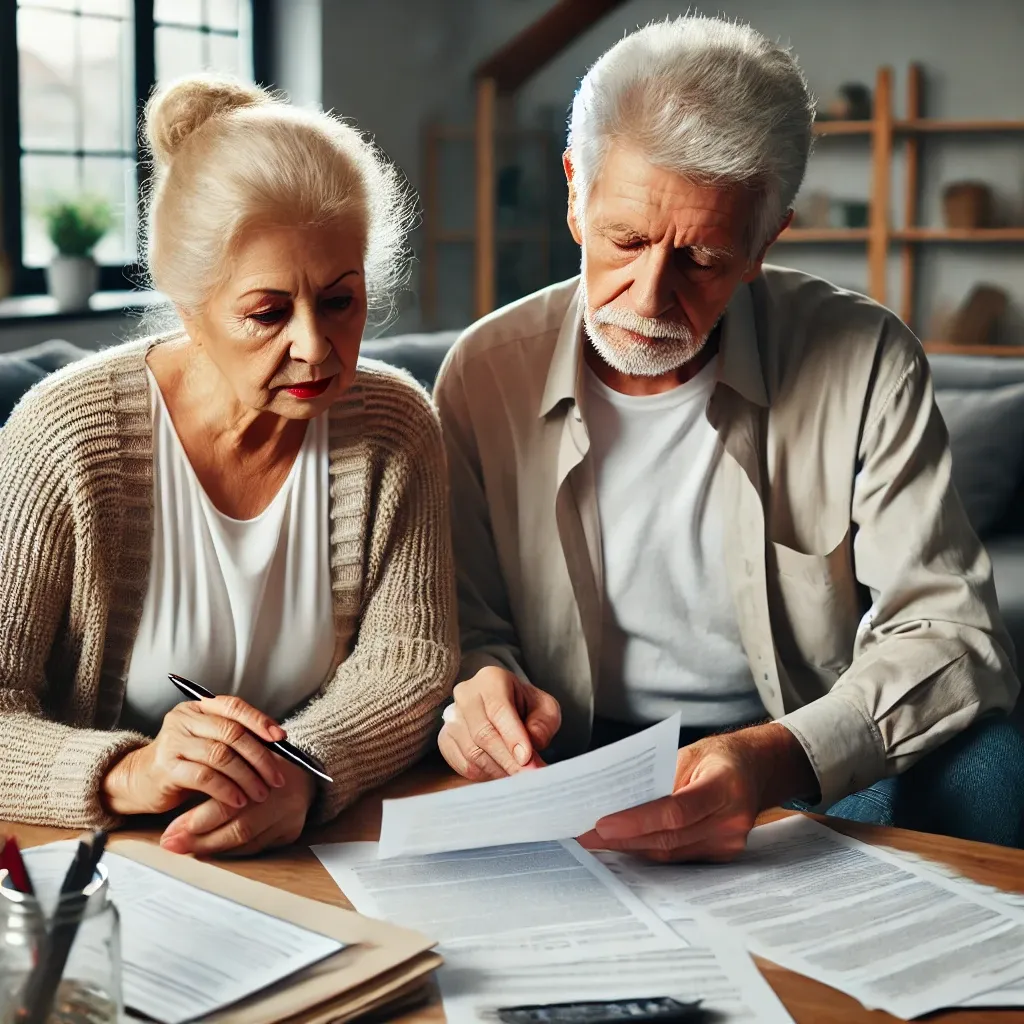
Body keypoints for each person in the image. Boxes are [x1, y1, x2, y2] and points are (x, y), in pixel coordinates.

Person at [434, 15, 1024, 856]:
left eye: (702, 258)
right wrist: (483, 689)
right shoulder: (484, 370)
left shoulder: (866, 358)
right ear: (575, 191)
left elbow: (953, 636)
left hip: (796, 749)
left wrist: (773, 760)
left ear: (765, 240)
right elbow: (468, 621)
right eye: (626, 240)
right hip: (573, 753)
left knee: (994, 771)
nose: (646, 298)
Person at [0, 75, 457, 856]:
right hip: (114, 862)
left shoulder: (395, 425)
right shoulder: (65, 437)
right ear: (189, 307)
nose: (314, 346)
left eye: (340, 301)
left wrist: (306, 769)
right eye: (267, 313)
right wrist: (127, 771)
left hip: (309, 850)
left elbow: (409, 663)